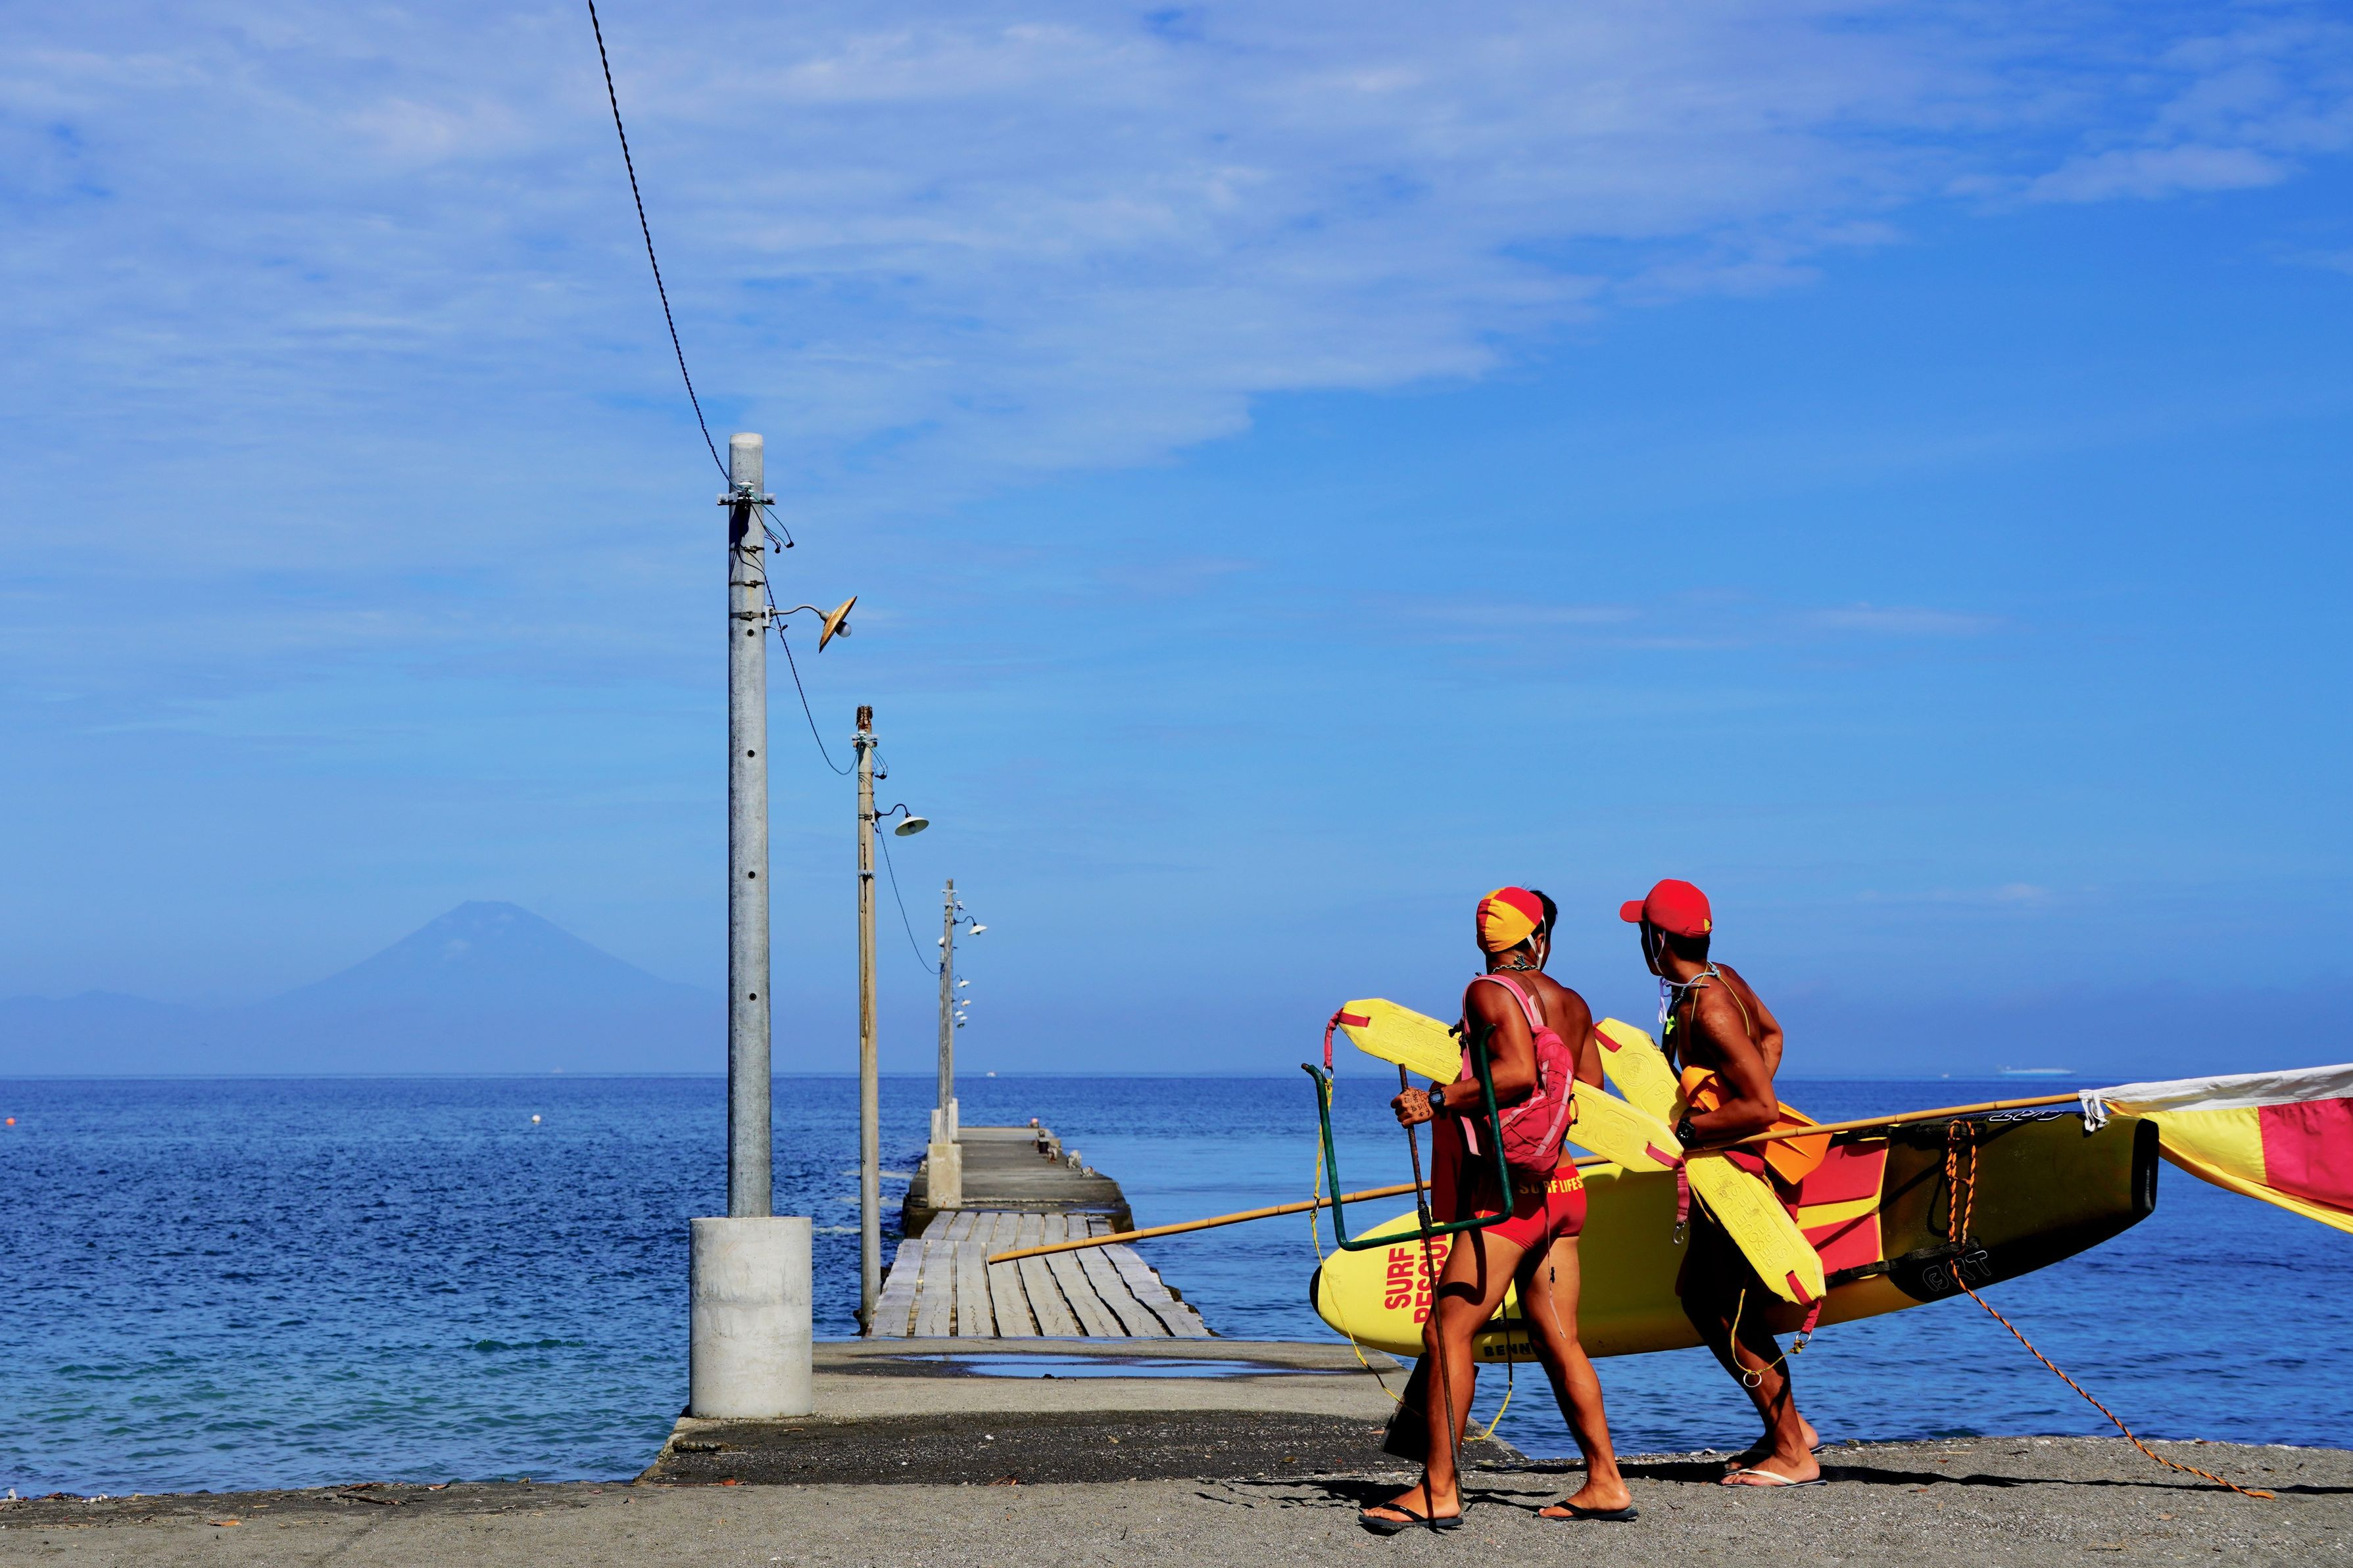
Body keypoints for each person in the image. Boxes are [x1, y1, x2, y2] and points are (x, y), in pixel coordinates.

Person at [1361, 886, 1635, 1533]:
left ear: (1484, 939)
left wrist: (1439, 1099)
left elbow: (1515, 1074)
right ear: (1538, 937)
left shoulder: (1485, 992)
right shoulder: (1571, 1003)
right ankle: (1605, 1481)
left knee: (1447, 1332)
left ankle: (1438, 1490)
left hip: (1506, 1198)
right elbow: (1589, 1092)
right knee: (1559, 1338)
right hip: (1560, 1189)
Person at [1623, 877, 1822, 1488]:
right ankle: (1790, 1428)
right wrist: (1726, 1095)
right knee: (1701, 1296)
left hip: (1733, 1170)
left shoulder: (1708, 1007)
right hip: (1724, 1162)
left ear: (1658, 938)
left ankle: (1793, 1452)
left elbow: (1762, 1107)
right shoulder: (1720, 979)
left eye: (1642, 930)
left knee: (1725, 1308)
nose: (1639, 940)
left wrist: (1696, 1126)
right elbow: (1773, 1035)